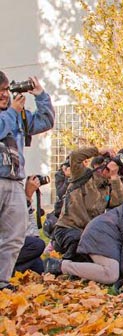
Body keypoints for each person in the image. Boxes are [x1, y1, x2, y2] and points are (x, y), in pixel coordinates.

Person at [44, 178, 123, 284]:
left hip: (114, 242)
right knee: (110, 274)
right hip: (104, 230)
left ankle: (77, 268)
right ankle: (61, 266)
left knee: (113, 273)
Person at [0, 72, 54, 290]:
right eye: (0, 92)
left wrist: (40, 94)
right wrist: (13, 112)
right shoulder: (12, 113)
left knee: (14, 237)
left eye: (5, 90)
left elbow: (45, 121)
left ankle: (2, 282)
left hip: (13, 181)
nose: (4, 95)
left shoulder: (17, 114)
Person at [52, 146, 123, 261]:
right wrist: (98, 151)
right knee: (80, 243)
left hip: (89, 232)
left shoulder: (107, 186)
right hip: (67, 228)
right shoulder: (83, 175)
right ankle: (59, 267)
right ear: (98, 165)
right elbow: (75, 156)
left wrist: (114, 177)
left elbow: (120, 202)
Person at [14, 176, 47, 275]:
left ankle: (12, 270)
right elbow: (14, 224)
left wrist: (28, 197)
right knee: (37, 245)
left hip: (16, 243)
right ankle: (8, 271)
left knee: (41, 268)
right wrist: (27, 196)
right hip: (7, 244)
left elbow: (32, 232)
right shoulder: (6, 190)